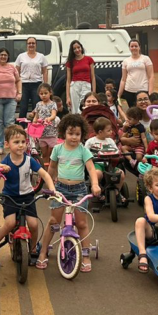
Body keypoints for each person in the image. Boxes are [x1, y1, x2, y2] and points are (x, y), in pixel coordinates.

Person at [36, 114, 101, 272]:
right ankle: (43, 252)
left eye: (77, 134)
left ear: (82, 134)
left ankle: (85, 256)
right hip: (61, 189)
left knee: (82, 223)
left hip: (79, 190)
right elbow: (51, 168)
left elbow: (91, 168)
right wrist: (49, 185)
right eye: (71, 134)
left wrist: (95, 184)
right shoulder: (58, 149)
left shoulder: (83, 150)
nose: (74, 137)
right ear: (63, 133)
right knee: (53, 222)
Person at [0, 124, 56, 263]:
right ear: (7, 144)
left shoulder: (29, 160)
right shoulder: (5, 163)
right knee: (9, 223)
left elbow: (44, 174)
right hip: (10, 197)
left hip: (27, 196)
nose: (21, 145)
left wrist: (52, 189)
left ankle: (33, 249)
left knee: (33, 225)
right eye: (16, 142)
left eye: (23, 142)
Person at [15, 37, 50, 117]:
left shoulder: (41, 57)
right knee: (23, 107)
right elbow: (16, 72)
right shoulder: (21, 56)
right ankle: (22, 127)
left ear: (36, 45)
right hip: (24, 84)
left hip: (36, 85)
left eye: (33, 43)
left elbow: (45, 72)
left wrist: (45, 85)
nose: (31, 45)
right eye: (29, 43)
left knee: (36, 106)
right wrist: (16, 86)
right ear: (26, 45)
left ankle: (36, 126)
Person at [119, 39, 153, 109]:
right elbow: (123, 79)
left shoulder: (146, 59)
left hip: (143, 89)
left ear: (139, 47)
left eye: (136, 46)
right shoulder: (125, 61)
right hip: (129, 90)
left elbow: (151, 76)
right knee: (133, 112)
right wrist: (119, 94)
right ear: (129, 48)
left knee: (143, 110)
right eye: (132, 46)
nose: (134, 48)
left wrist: (150, 92)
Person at [64, 40, 95, 114]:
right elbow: (68, 81)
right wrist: (68, 97)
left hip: (86, 85)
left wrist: (94, 92)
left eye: (78, 47)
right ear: (72, 50)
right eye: (74, 49)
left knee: (85, 106)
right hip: (74, 85)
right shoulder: (70, 62)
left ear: (81, 47)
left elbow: (93, 77)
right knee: (74, 108)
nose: (77, 50)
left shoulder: (89, 59)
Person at [31, 83, 59, 165]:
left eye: (45, 93)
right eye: (41, 93)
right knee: (44, 154)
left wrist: (48, 119)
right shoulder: (38, 104)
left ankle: (52, 170)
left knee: (52, 155)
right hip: (42, 134)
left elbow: (54, 115)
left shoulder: (53, 104)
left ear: (50, 93)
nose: (43, 95)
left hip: (51, 133)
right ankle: (45, 170)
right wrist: (34, 123)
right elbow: (36, 116)